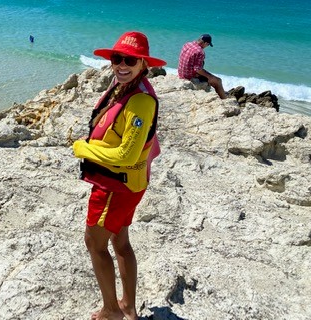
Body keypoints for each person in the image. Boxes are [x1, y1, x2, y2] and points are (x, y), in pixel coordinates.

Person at [73, 31, 165, 320]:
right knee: (120, 241)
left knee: (94, 243)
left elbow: (126, 155)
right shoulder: (124, 86)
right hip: (124, 184)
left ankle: (112, 310)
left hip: (116, 186)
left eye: (130, 60)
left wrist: (84, 148)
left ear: (143, 65)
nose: (122, 65)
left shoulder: (140, 102)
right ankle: (128, 305)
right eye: (117, 58)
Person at [178, 34, 227, 99]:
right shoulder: (200, 52)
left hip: (181, 72)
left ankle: (219, 94)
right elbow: (197, 69)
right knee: (218, 80)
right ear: (205, 43)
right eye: (208, 45)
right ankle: (224, 100)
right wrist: (210, 77)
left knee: (209, 78)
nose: (207, 46)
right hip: (188, 76)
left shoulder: (187, 44)